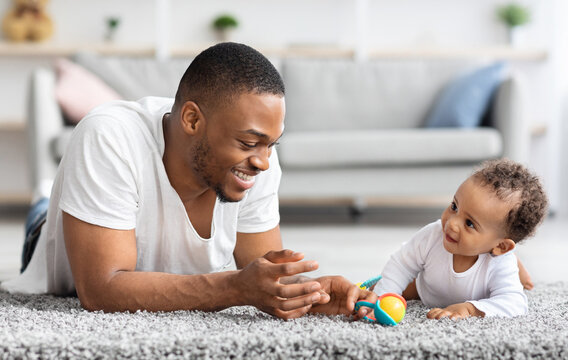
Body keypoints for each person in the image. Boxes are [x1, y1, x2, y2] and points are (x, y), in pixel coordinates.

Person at [1, 42, 373, 319]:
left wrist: (317, 295)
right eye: (248, 142)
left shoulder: (258, 163)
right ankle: (47, 197)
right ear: (192, 121)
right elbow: (101, 289)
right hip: (48, 232)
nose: (263, 161)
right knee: (46, 211)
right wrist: (232, 286)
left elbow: (264, 280)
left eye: (272, 144)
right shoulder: (108, 135)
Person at [368, 159, 548, 319]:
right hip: (427, 287)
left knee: (509, 285)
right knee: (395, 286)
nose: (452, 224)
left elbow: (515, 303)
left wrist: (470, 309)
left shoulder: (500, 261)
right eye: (454, 206)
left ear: (500, 246)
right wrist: (381, 295)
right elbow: (401, 263)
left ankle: (517, 268)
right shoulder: (433, 234)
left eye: (469, 224)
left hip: (484, 279)